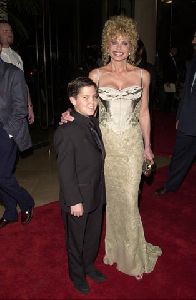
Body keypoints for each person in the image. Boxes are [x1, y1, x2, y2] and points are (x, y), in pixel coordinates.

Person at [61, 15, 162, 279]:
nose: (119, 47)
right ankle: (115, 251)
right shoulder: (96, 75)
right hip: (103, 149)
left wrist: (148, 147)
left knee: (129, 200)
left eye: (125, 43)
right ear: (107, 44)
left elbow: (144, 113)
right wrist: (68, 114)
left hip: (130, 147)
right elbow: (86, 104)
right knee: (108, 202)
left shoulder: (142, 76)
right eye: (114, 42)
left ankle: (133, 258)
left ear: (132, 47)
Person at [54, 77, 106, 294]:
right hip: (77, 198)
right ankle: (76, 275)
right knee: (76, 241)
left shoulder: (92, 122)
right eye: (85, 97)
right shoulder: (66, 131)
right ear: (73, 100)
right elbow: (65, 172)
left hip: (95, 192)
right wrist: (74, 200)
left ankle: (88, 265)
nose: (92, 102)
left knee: (93, 236)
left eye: (94, 96)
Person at [155, 31, 196, 197]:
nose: (193, 40)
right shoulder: (194, 60)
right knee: (179, 155)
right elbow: (187, 90)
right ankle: (171, 184)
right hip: (189, 118)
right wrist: (179, 116)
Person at [0, 41, 34, 228]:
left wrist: (9, 133)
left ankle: (26, 201)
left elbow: (20, 108)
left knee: (3, 176)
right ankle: (11, 211)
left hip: (6, 130)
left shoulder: (13, 73)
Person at [0, 20, 34, 124]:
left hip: (19, 111)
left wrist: (29, 106)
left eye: (10, 31)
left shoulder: (16, 56)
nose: (9, 33)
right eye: (5, 31)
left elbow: (23, 84)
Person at [162, 46, 178, 112]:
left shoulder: (173, 58)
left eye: (176, 51)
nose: (176, 52)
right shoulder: (167, 58)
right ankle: (166, 110)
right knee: (168, 96)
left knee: (170, 96)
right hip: (169, 81)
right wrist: (167, 81)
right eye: (175, 50)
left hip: (172, 80)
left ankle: (167, 110)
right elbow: (166, 70)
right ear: (171, 50)